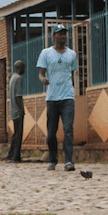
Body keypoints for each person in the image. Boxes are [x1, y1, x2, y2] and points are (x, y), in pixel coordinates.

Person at [37, 25, 77, 172]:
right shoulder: (46, 53)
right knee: (51, 131)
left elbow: (71, 72)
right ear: (53, 36)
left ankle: (69, 161)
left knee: (68, 129)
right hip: (52, 97)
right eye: (59, 34)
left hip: (68, 96)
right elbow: (41, 73)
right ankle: (53, 159)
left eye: (64, 34)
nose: (63, 37)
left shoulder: (72, 54)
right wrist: (43, 79)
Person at [4, 61, 25, 163]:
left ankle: (11, 154)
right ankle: (15, 157)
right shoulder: (18, 78)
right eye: (24, 67)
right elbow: (18, 96)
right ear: (20, 68)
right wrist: (21, 109)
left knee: (15, 133)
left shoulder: (12, 78)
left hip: (13, 110)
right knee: (18, 134)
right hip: (17, 110)